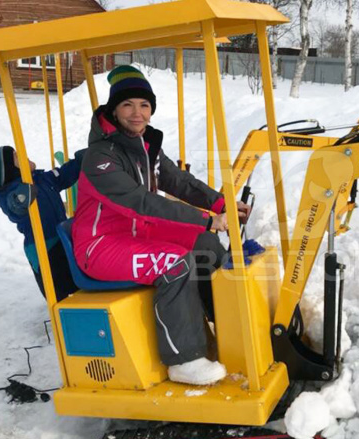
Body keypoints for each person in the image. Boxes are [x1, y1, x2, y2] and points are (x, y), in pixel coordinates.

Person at [73, 65, 251, 386]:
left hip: (135, 233)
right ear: (114, 110)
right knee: (175, 262)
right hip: (100, 246)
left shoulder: (145, 145)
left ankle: (225, 329)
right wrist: (209, 220)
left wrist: (221, 204)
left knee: (206, 246)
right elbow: (142, 202)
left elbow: (178, 181)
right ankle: (183, 360)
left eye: (144, 105)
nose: (137, 113)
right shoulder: (100, 158)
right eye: (128, 105)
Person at [0, 145, 82, 301]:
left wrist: (83, 159)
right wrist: (22, 198)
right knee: (61, 287)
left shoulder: (41, 179)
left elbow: (63, 175)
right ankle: (67, 315)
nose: (22, 154)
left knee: (76, 277)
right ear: (9, 170)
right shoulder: (8, 194)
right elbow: (15, 209)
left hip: (62, 238)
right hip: (44, 248)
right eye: (16, 155)